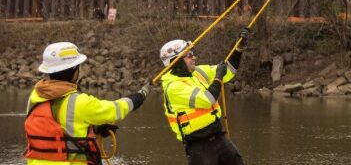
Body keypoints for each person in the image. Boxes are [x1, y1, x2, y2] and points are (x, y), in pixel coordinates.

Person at [25, 42, 148, 165]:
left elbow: (55, 128)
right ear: (73, 70)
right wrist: (138, 97)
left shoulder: (35, 97)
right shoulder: (79, 102)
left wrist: (94, 129)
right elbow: (114, 110)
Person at [159, 29, 249, 165]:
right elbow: (207, 100)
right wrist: (218, 76)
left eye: (193, 54)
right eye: (189, 55)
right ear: (176, 61)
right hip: (198, 146)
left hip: (218, 136)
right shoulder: (173, 87)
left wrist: (238, 49)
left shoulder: (198, 72)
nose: (194, 57)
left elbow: (229, 70)